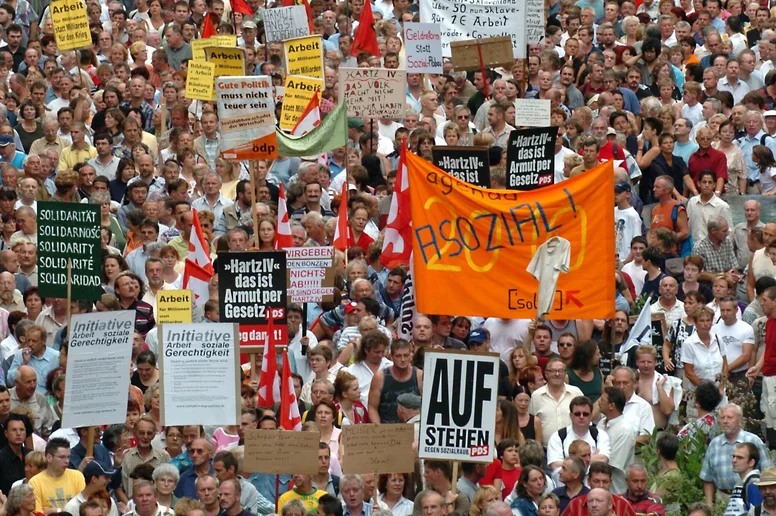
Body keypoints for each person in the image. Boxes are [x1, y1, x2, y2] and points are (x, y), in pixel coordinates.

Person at [700, 404, 772, 506]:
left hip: (749, 497)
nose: (725, 421)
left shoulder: (753, 441)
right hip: (722, 498)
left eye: (729, 417)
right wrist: (709, 504)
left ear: (739, 420)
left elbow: (767, 473)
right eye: (722, 418)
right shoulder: (714, 444)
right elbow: (707, 478)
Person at [529, 358, 584, 445]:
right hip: (545, 449)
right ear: (546, 374)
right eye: (553, 371)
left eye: (560, 371)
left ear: (565, 373)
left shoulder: (576, 393)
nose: (557, 374)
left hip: (573, 449)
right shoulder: (536, 396)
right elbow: (531, 424)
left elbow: (585, 419)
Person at [29, 437, 86, 513]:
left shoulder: (77, 476)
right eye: (62, 457)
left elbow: (83, 509)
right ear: (49, 457)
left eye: (68, 457)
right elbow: (38, 513)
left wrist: (56, 510)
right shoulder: (35, 482)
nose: (67, 461)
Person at [724, 442, 763, 515]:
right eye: (733, 456)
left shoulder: (754, 483)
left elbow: (756, 512)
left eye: (740, 457)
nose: (734, 460)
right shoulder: (742, 482)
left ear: (751, 462)